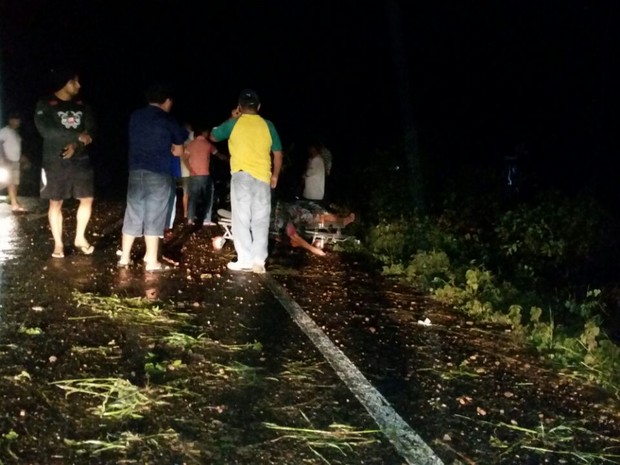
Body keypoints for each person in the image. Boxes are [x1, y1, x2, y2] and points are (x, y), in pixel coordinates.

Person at [210, 89, 283, 273]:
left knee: (241, 219)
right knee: (261, 219)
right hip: (263, 177)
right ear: (258, 107)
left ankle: (244, 259)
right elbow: (278, 153)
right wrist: (275, 175)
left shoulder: (234, 123)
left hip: (241, 176)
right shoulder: (268, 125)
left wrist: (231, 117)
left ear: (239, 107)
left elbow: (213, 136)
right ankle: (259, 261)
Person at [117, 83, 188, 272]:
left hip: (135, 171)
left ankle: (124, 258)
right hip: (159, 173)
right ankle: (151, 261)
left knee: (133, 213)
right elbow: (178, 151)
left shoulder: (135, 116)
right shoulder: (168, 120)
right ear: (167, 101)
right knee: (154, 215)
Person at [34, 69, 96, 258]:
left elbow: (91, 129)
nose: (79, 85)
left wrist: (76, 144)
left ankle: (79, 237)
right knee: (56, 202)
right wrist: (75, 135)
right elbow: (47, 130)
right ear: (65, 83)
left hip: (80, 159)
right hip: (55, 160)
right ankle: (58, 244)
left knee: (87, 198)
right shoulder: (45, 103)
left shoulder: (83, 105)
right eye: (75, 82)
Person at [183, 128, 218, 225]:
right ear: (204, 133)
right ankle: (206, 219)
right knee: (207, 197)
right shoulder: (207, 144)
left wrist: (190, 168)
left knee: (193, 197)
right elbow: (216, 152)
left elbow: (184, 158)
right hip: (205, 175)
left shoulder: (191, 144)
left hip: (193, 175)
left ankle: (190, 219)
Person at [0, 112, 27, 212]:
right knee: (9, 182)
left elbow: (16, 147)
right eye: (16, 120)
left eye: (19, 120)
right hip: (6, 162)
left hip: (15, 162)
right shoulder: (5, 131)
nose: (18, 122)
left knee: (14, 183)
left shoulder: (15, 133)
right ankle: (14, 204)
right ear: (10, 120)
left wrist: (21, 157)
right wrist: (3, 159)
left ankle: (14, 202)